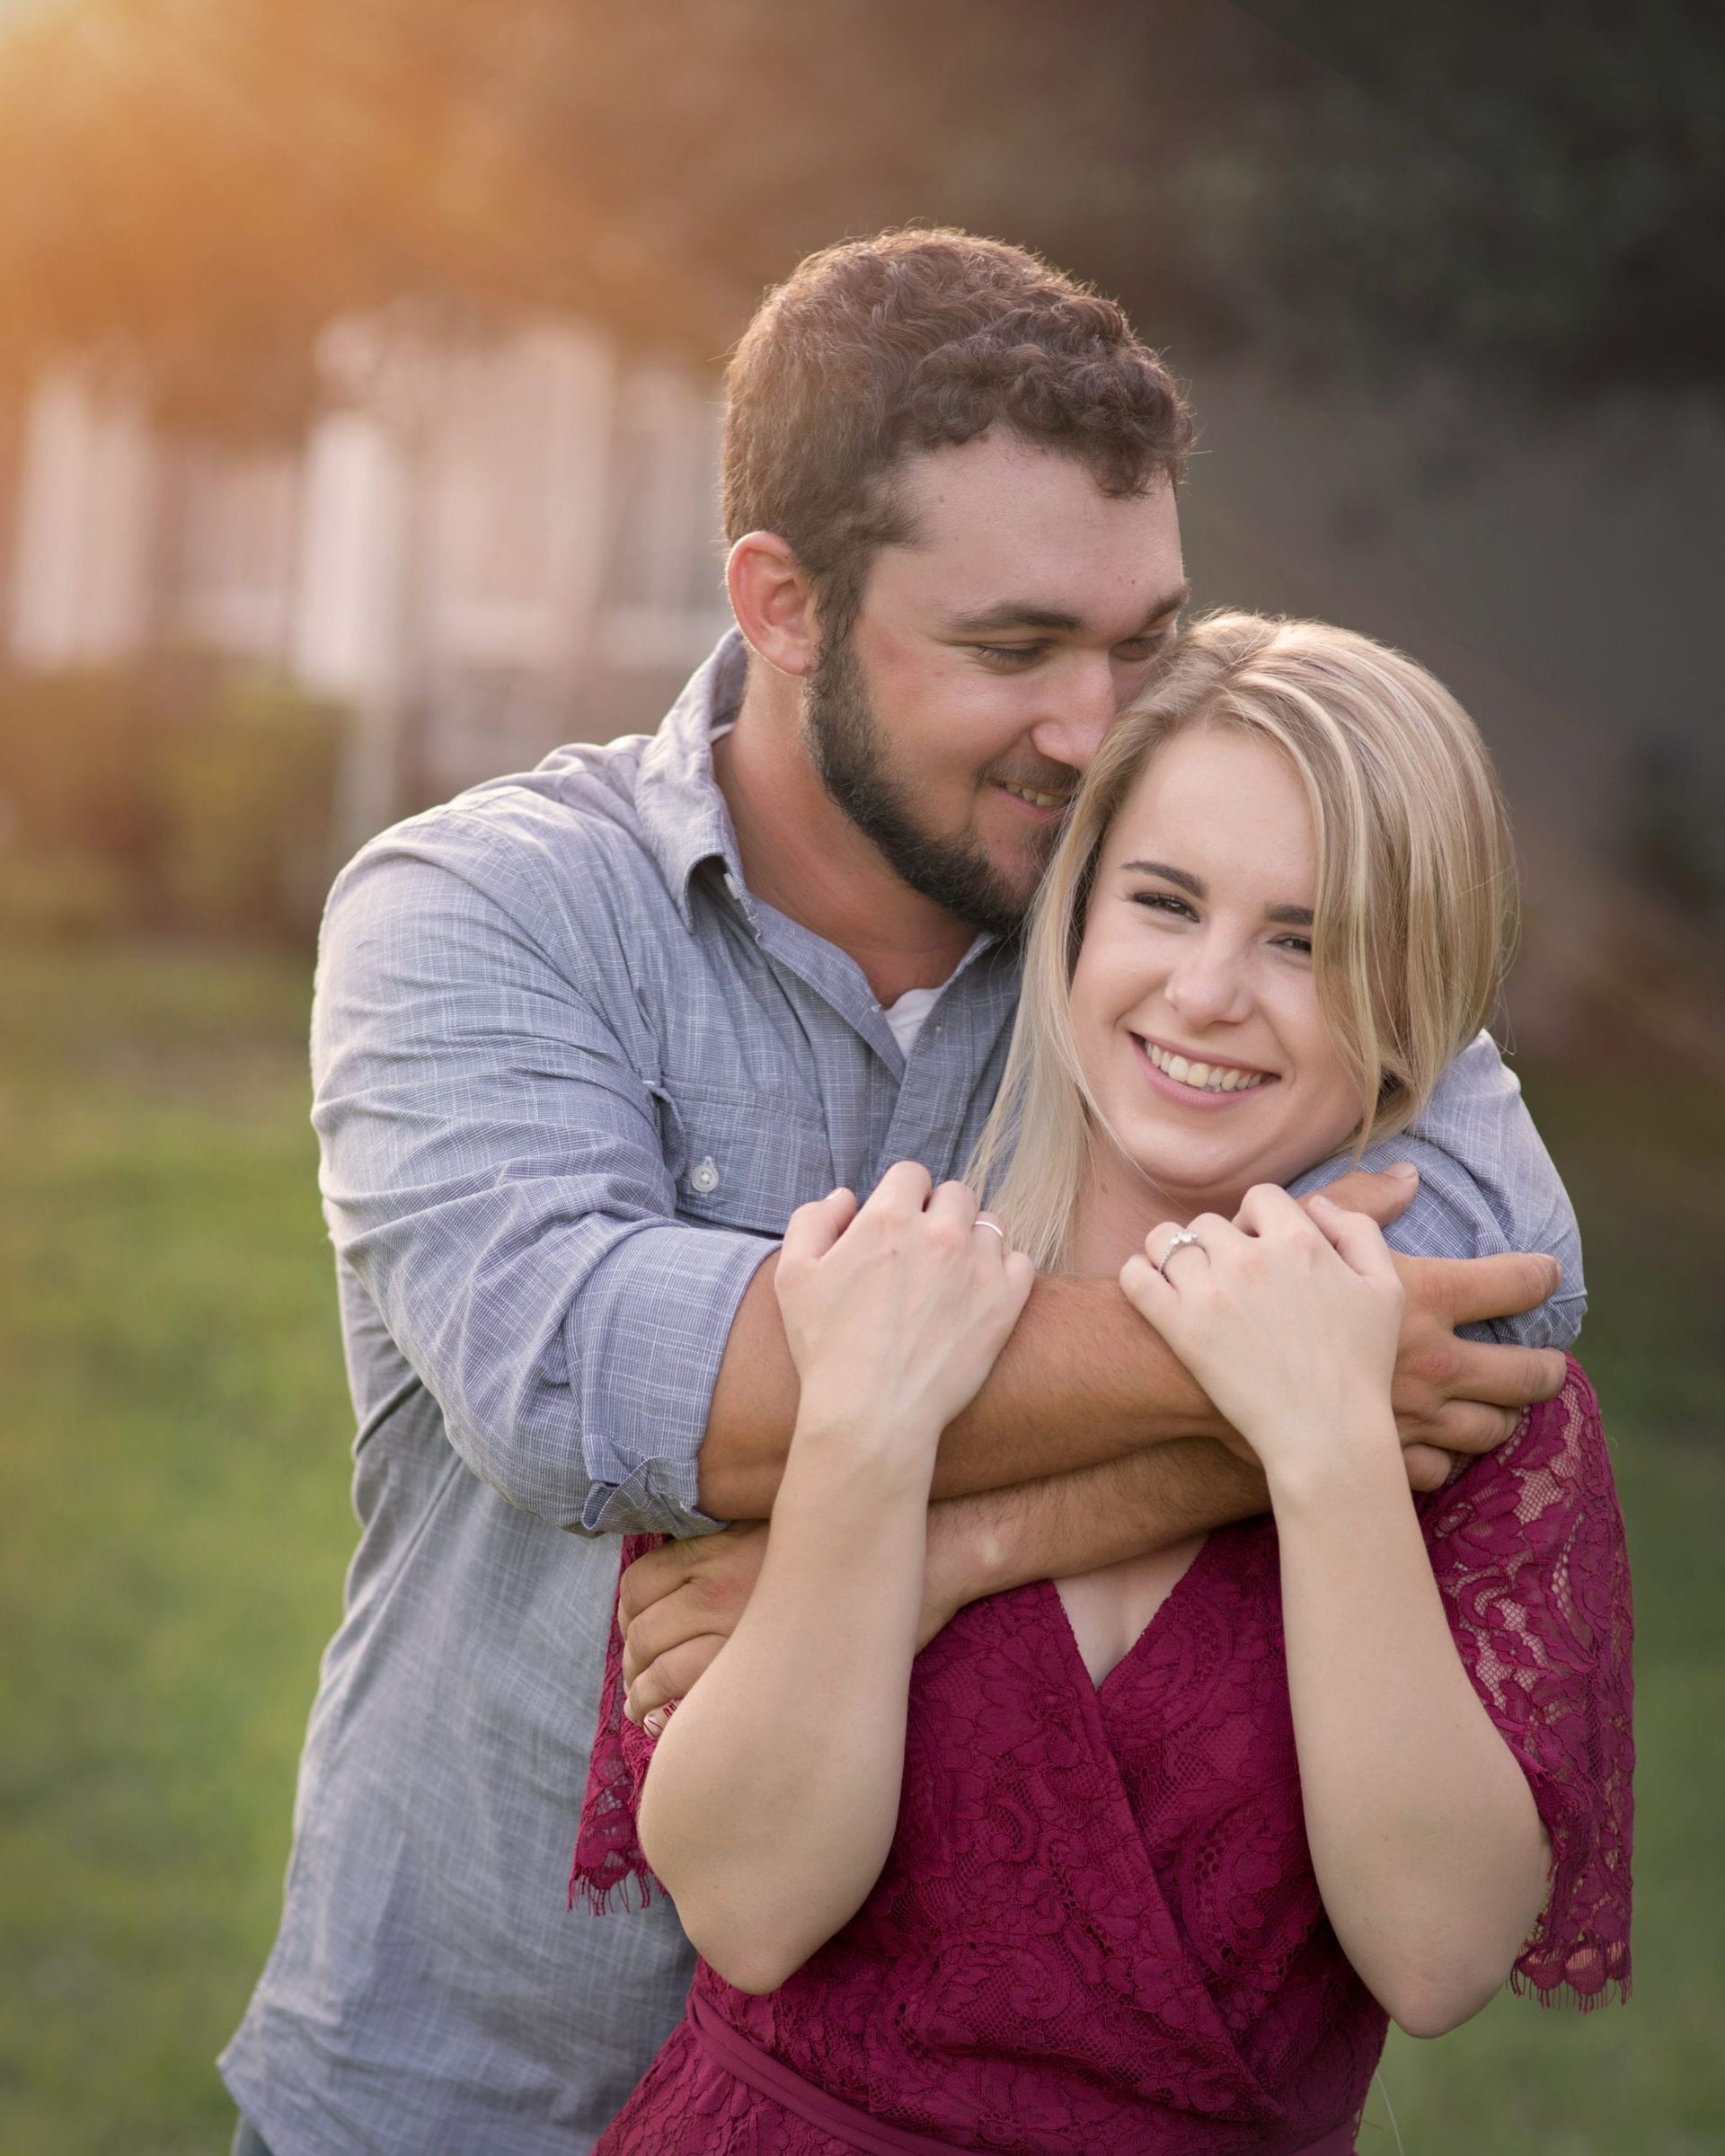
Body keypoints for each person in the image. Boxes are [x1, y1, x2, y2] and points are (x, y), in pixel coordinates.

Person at [222, 232, 1581, 2156]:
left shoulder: (1155, 908)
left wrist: (938, 1549)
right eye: (1016, 649)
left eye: (1144, 641)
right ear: (780, 603)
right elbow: (581, 1384)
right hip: (479, 2092)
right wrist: (1277, 1388)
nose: (1099, 725)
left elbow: (1503, 1273)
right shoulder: (486, 908)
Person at [579, 614, 1632, 2155]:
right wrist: (872, 1435)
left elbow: (1436, 1951)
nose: (1208, 993)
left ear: (1411, 997)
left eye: (1304, 941)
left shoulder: (1468, 1413)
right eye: (1166, 901)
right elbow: (747, 1908)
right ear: (1074, 915)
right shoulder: (866, 1287)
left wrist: (1331, 1438)